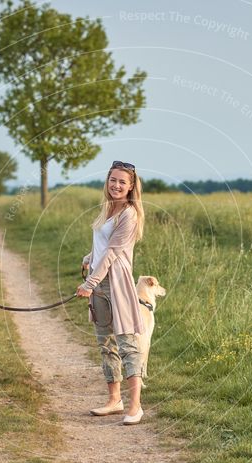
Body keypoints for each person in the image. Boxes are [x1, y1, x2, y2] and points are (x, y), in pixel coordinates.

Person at [76, 160, 146, 425]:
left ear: (130, 188)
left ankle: (135, 407)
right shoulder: (107, 209)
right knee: (105, 344)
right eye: (113, 180)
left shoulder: (129, 213)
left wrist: (89, 283)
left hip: (116, 284)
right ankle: (114, 400)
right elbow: (103, 245)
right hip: (99, 281)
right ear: (107, 182)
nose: (116, 185)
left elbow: (114, 253)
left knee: (127, 344)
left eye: (122, 182)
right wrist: (88, 257)